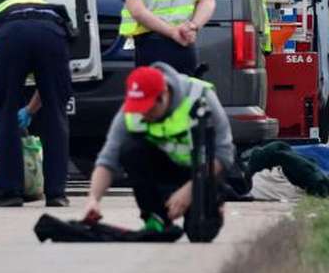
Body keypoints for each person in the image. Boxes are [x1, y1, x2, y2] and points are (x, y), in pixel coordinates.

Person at [82, 64, 234, 237]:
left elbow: (225, 153)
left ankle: (214, 203)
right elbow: (108, 159)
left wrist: (190, 190)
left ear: (164, 95)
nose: (143, 114)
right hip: (165, 169)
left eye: (148, 108)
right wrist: (93, 199)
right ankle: (156, 217)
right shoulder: (132, 110)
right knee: (130, 150)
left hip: (202, 172)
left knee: (201, 233)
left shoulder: (200, 98)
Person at [0, 0, 74, 207]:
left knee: (5, 114)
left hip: (11, 36)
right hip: (51, 34)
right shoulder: (52, 13)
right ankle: (56, 194)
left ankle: (9, 193)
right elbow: (51, 85)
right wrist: (31, 110)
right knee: (56, 114)